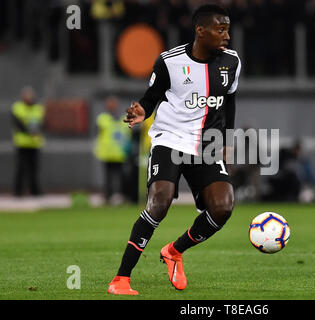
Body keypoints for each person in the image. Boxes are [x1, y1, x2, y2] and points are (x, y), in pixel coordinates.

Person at [107, 4, 241, 295]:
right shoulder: (170, 61)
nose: (227, 36)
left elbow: (230, 101)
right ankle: (121, 278)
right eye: (221, 29)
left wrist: (226, 142)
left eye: (228, 29)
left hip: (206, 146)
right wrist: (142, 110)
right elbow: (152, 96)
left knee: (223, 207)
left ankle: (174, 251)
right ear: (200, 30)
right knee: (160, 202)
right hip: (170, 139)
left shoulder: (231, 62)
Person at [94, 96, 131, 204]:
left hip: (120, 153)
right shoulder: (102, 119)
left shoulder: (123, 118)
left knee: (122, 176)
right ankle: (108, 196)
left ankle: (122, 196)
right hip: (107, 153)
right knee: (108, 177)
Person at [11, 86, 45, 197]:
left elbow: (43, 123)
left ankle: (35, 190)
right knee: (21, 168)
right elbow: (18, 124)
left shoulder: (38, 108)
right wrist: (30, 131)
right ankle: (18, 191)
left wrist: (36, 131)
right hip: (22, 143)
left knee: (34, 168)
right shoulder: (18, 108)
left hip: (35, 143)